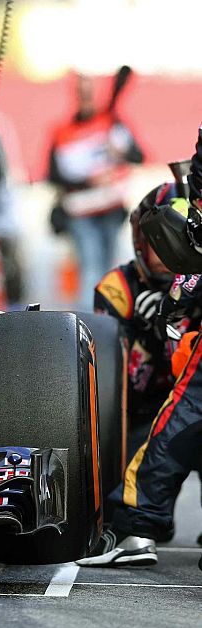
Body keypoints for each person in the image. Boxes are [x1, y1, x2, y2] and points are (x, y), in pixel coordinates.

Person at [78, 128, 202, 569]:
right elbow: (112, 381)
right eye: (157, 245)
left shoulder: (195, 285)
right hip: (142, 410)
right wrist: (149, 327)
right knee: (125, 441)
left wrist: (179, 315)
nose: (164, 255)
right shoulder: (117, 288)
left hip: (186, 404)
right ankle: (127, 525)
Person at [47, 72, 144, 311]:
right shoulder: (62, 131)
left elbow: (138, 156)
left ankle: (110, 321)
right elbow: (53, 175)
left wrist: (120, 151)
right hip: (81, 213)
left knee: (111, 270)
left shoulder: (112, 123)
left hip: (111, 209)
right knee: (90, 268)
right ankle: (88, 325)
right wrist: (88, 181)